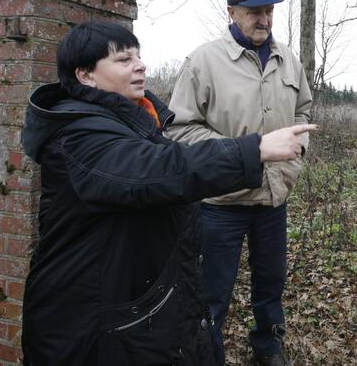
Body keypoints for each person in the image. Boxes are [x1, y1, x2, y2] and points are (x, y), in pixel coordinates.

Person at [20, 21, 314, 365]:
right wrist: (256, 149)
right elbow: (159, 168)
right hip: (92, 326)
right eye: (124, 59)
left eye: (139, 56)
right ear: (85, 75)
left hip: (138, 307)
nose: (140, 65)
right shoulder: (79, 135)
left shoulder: (136, 122)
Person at [168, 0, 312, 366]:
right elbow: (179, 129)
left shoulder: (288, 60)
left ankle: (267, 347)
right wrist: (239, 155)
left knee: (271, 283)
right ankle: (206, 353)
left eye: (268, 11)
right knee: (212, 291)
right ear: (231, 13)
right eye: (253, 12)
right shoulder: (203, 62)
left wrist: (298, 148)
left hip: (272, 198)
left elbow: (303, 111)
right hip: (220, 202)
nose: (263, 19)